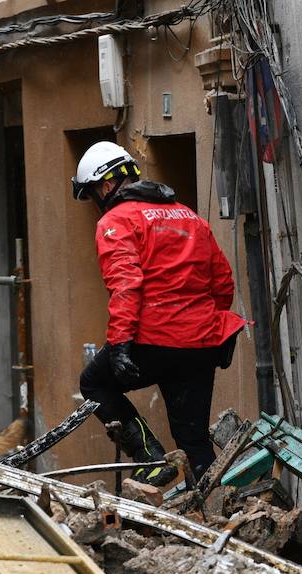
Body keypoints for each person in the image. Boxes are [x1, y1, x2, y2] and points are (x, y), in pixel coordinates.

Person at [72, 140, 246, 486]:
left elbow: (126, 284)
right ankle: (217, 516)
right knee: (193, 439)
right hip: (200, 344)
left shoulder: (116, 220)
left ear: (106, 185)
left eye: (92, 194)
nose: (95, 203)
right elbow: (223, 282)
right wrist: (200, 324)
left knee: (94, 383)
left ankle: (150, 458)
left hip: (152, 340)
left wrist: (120, 344)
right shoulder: (189, 216)